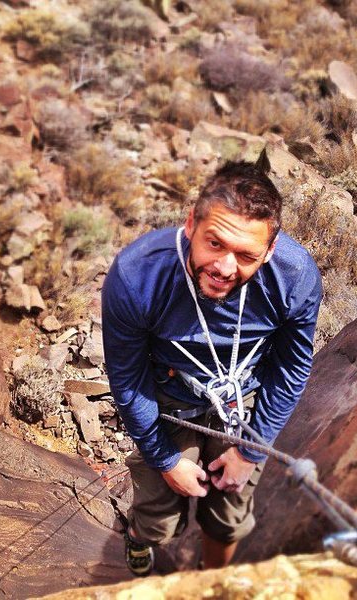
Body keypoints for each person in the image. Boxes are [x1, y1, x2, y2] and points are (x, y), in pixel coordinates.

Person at [101, 158, 322, 576]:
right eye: (215, 243)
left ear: (270, 250)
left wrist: (249, 452)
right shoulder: (138, 275)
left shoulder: (294, 279)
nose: (224, 268)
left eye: (246, 255)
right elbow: (127, 378)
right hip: (167, 398)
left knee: (228, 519)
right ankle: (140, 536)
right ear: (190, 224)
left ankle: (212, 581)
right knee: (158, 520)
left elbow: (290, 369)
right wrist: (166, 459)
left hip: (241, 400)